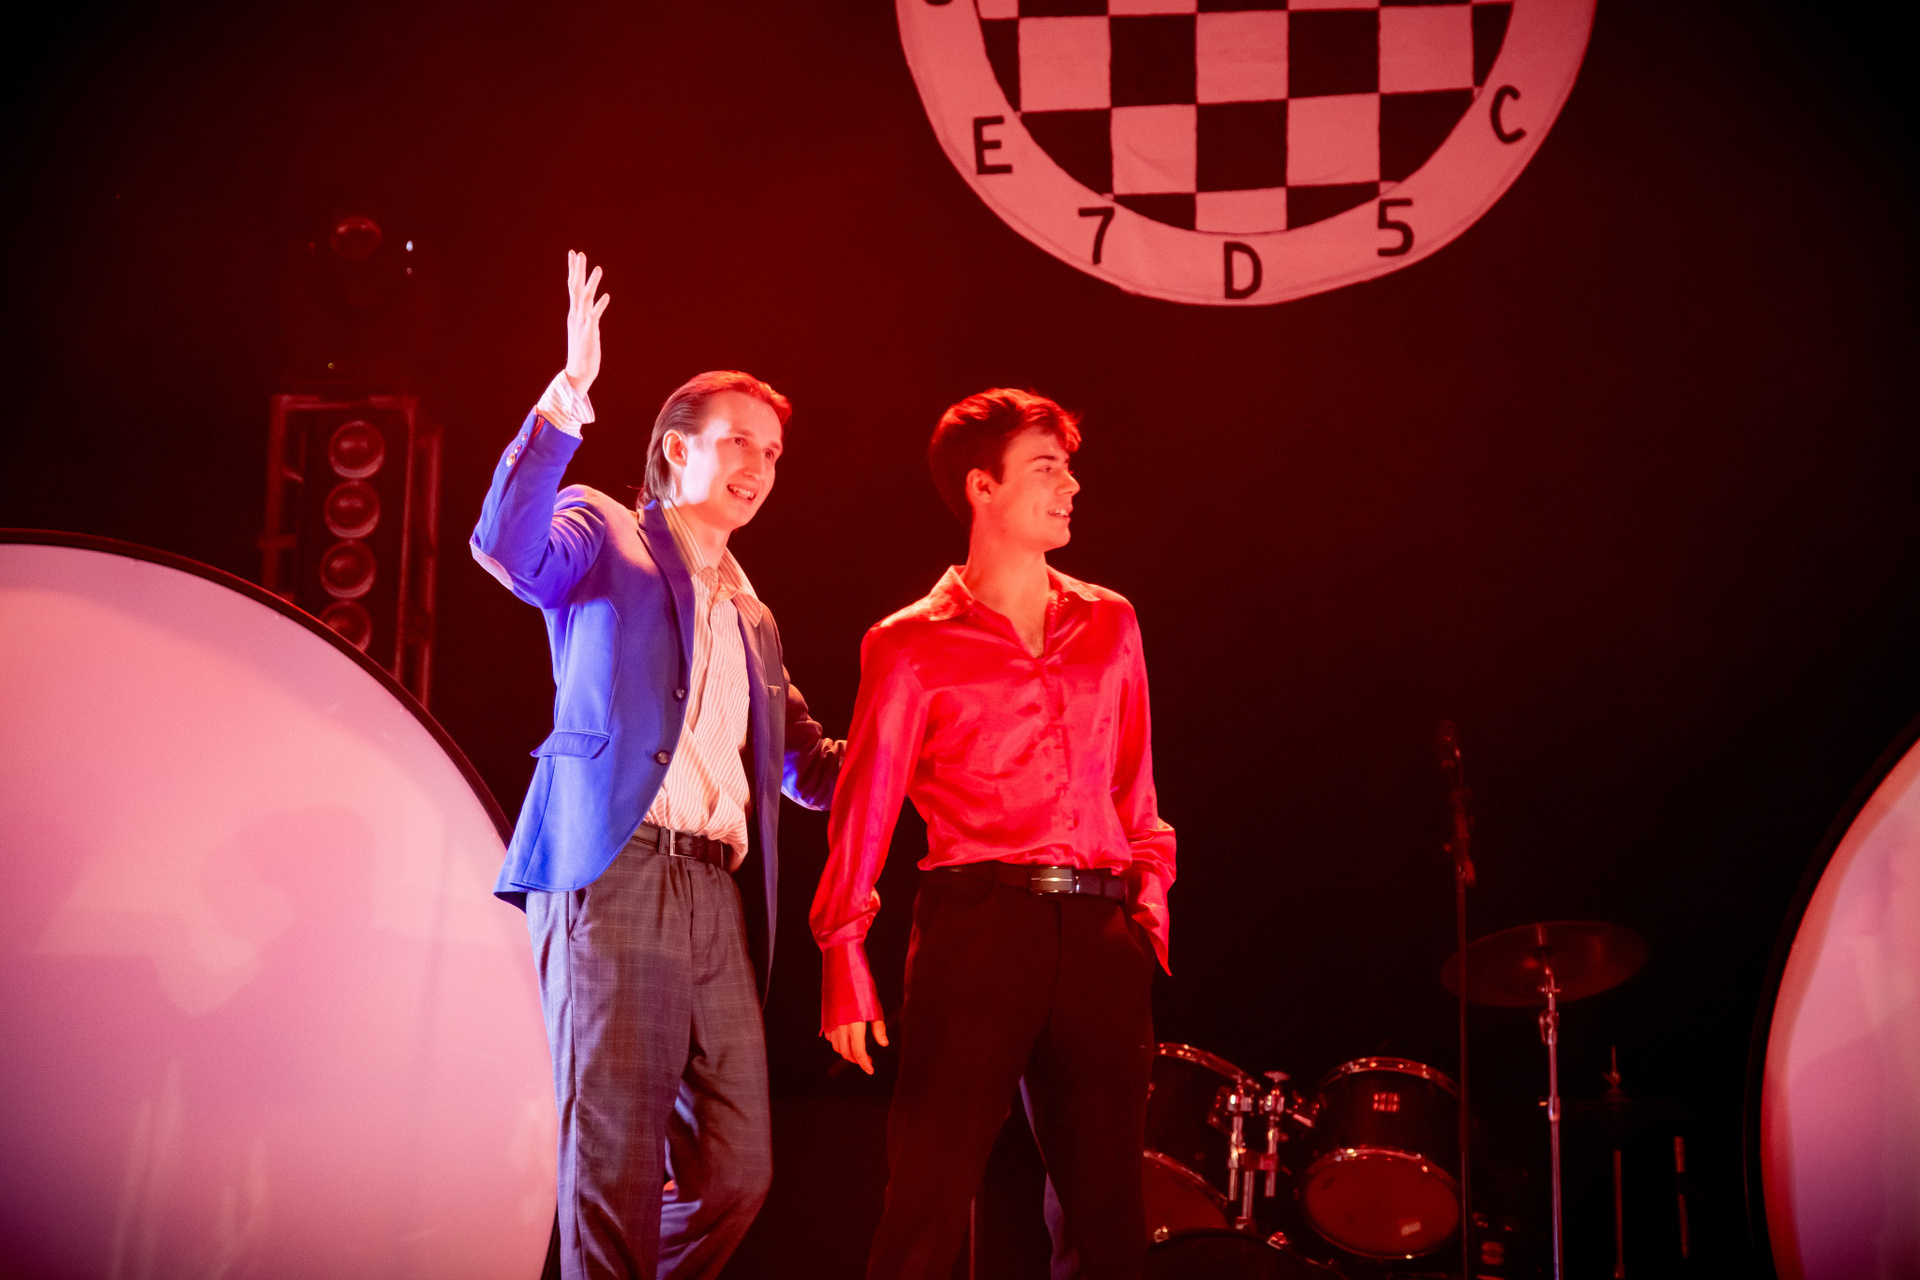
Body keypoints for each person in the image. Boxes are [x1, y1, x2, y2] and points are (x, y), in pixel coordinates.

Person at [471, 251, 841, 1280]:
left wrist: (933, 739)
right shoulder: (607, 532)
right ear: (677, 449)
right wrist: (566, 399)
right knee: (615, 1164)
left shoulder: (754, 614)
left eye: (773, 451)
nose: (760, 464)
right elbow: (508, 548)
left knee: (738, 1173)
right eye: (739, 441)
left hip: (714, 893)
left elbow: (809, 767)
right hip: (617, 864)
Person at [810, 388, 1176, 1280]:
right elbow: (866, 804)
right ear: (983, 487)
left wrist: (1146, 909)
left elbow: (1136, 785)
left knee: (1109, 1221)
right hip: (978, 926)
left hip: (1099, 927)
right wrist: (842, 954)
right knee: (926, 1205)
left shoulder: (1112, 621)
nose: (1071, 485)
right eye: (1047, 467)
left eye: (1068, 467)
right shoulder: (908, 644)